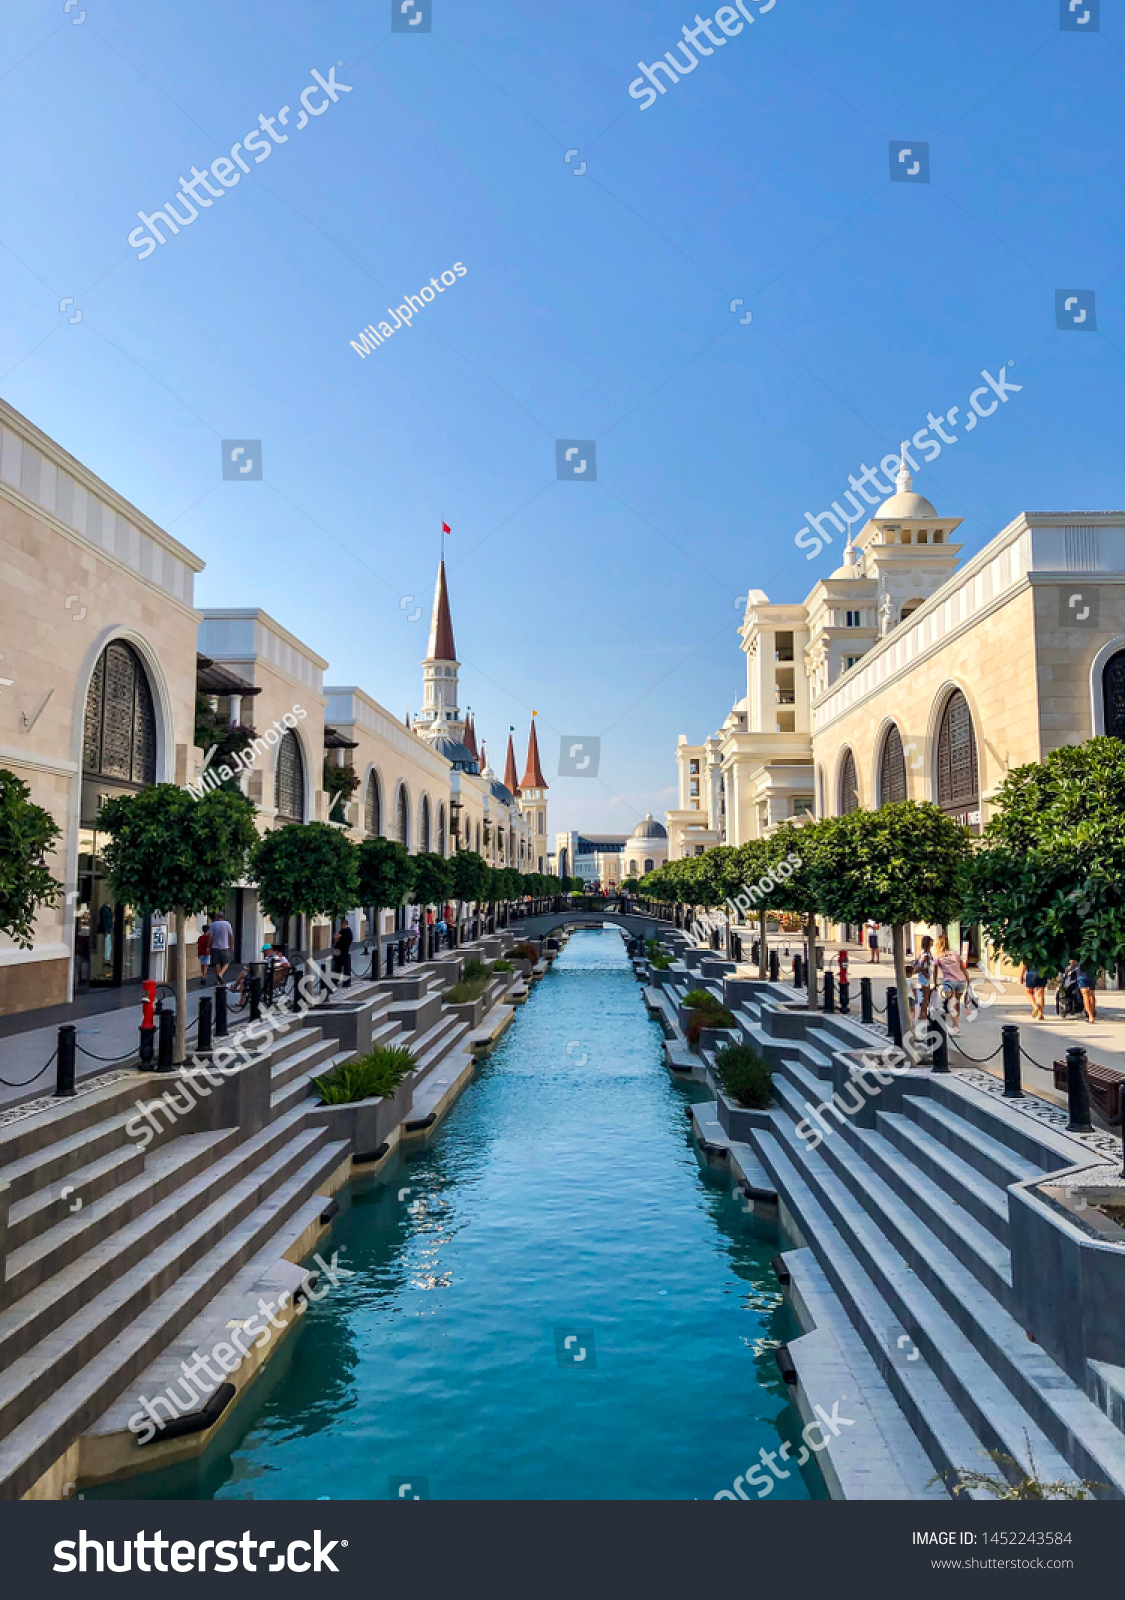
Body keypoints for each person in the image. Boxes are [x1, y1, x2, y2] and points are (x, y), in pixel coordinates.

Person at [934, 933, 969, 1033]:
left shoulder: (938, 956)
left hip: (949, 982)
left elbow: (935, 970)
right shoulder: (955, 954)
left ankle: (956, 1027)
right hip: (961, 981)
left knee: (951, 1004)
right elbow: (962, 968)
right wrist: (968, 979)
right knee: (956, 1003)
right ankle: (956, 1024)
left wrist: (935, 982)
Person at [1063, 958, 1097, 1023]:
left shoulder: (1077, 953)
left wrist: (1070, 967)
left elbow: (1072, 963)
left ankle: (1090, 1016)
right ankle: (1092, 1014)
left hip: (1082, 976)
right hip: (1091, 975)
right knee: (1091, 995)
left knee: (1085, 995)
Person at [910, 935, 934, 1023]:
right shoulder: (926, 954)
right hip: (924, 976)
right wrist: (926, 973)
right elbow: (922, 964)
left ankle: (923, 1012)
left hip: (922, 976)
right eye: (931, 942)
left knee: (925, 995)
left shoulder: (922, 952)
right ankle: (923, 1013)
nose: (932, 943)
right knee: (926, 996)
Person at [209, 912, 234, 984]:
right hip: (224, 947)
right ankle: (220, 974)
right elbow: (231, 935)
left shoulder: (213, 925)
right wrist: (231, 945)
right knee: (226, 963)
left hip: (215, 947)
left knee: (217, 963)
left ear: (217, 917)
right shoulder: (227, 924)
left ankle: (218, 980)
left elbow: (210, 936)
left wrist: (209, 946)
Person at [332, 922, 353, 987]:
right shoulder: (344, 931)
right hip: (340, 951)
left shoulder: (346, 932)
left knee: (338, 967)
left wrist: (337, 939)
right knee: (337, 967)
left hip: (341, 952)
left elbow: (344, 943)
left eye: (342, 925)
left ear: (345, 925)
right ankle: (336, 981)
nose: (341, 926)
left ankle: (335, 981)